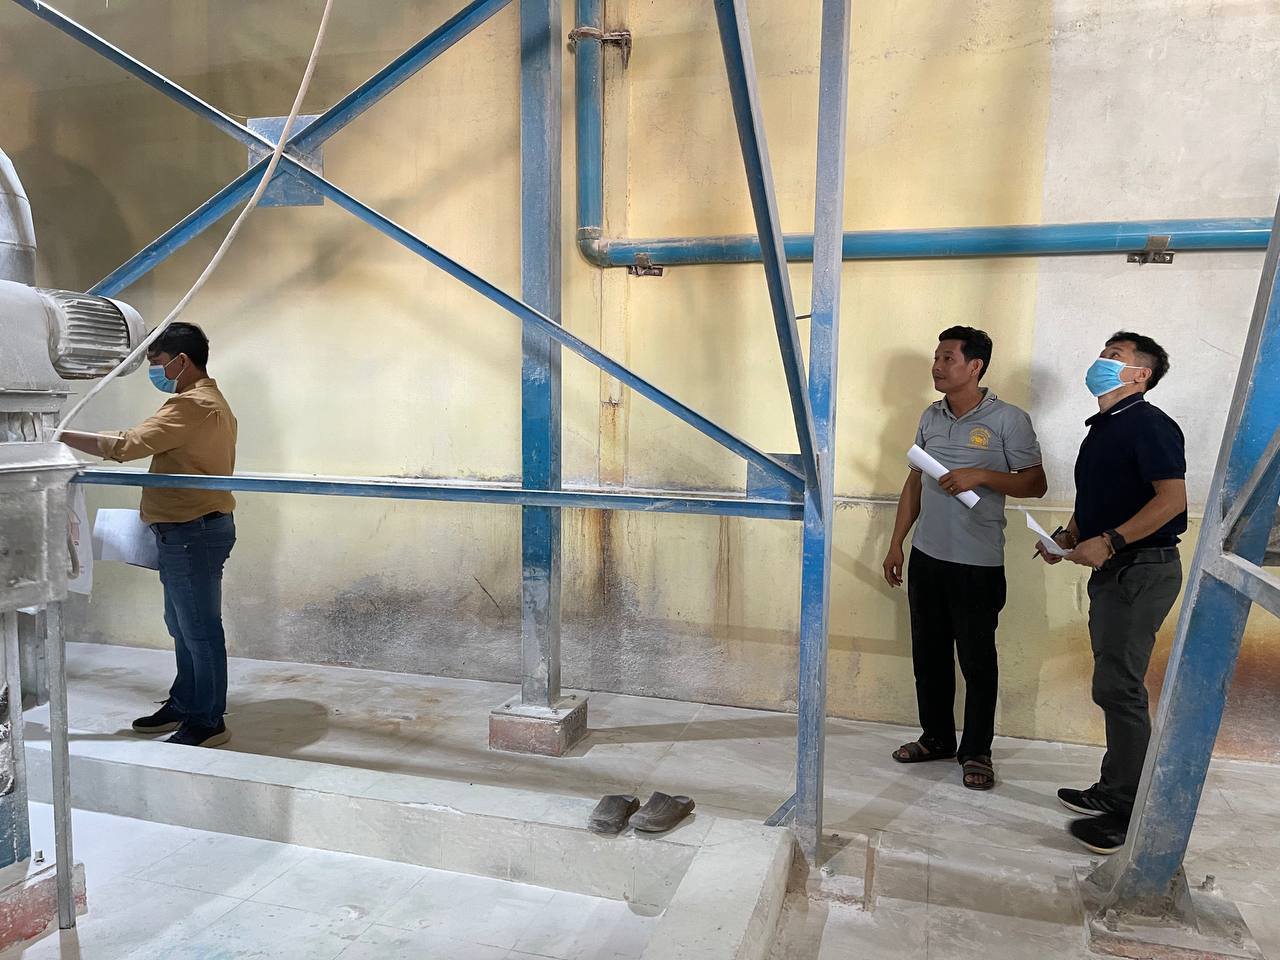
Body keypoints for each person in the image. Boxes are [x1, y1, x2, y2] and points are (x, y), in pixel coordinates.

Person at [1038, 332, 1186, 855]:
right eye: (1102, 353)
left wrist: (1112, 541)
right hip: (1117, 570)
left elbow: (1172, 500)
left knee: (1120, 688)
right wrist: (1069, 535)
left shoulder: (1149, 423)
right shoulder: (1104, 428)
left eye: (1114, 356)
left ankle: (1130, 813)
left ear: (1140, 375)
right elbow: (1103, 498)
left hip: (1141, 569)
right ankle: (1114, 788)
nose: (1101, 361)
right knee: (1112, 684)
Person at [882, 327, 1047, 790]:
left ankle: (976, 752)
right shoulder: (930, 416)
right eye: (936, 357)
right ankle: (936, 737)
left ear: (975, 366)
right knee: (929, 655)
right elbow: (915, 482)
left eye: (948, 358)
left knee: (976, 661)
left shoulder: (1009, 419)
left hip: (976, 564)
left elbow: (1036, 483)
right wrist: (897, 543)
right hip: (927, 556)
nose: (937, 366)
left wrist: (983, 475)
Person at [61, 322, 238, 748]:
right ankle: (186, 701)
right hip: (186, 530)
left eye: (157, 363)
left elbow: (128, 445)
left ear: (182, 361)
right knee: (182, 624)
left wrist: (58, 435)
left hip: (193, 532)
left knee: (199, 629)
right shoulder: (203, 400)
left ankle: (208, 721)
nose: (154, 371)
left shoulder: (193, 405)